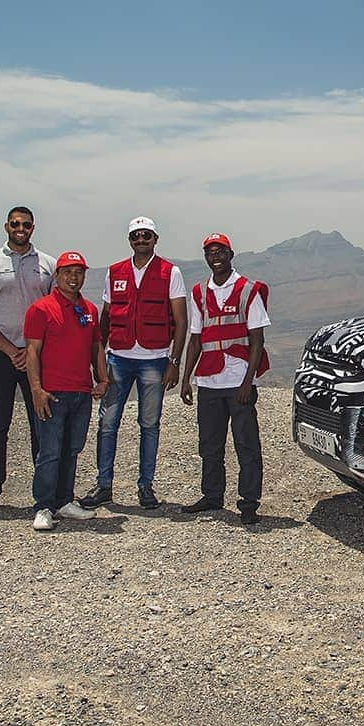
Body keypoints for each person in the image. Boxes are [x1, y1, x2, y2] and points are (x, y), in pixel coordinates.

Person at [79, 217, 187, 510]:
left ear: (155, 238)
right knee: (107, 423)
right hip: (119, 358)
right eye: (136, 236)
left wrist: (174, 362)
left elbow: (181, 321)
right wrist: (99, 362)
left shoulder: (170, 272)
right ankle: (103, 485)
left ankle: (145, 486)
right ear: (130, 240)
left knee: (149, 424)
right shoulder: (115, 272)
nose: (141, 239)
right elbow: (105, 317)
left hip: (154, 359)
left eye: (146, 235)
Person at [0, 206, 56, 515]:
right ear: (7, 226)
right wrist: (9, 350)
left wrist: (30, 352)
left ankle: (46, 493)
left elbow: (55, 311)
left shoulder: (48, 265)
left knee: (41, 423)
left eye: (27, 224)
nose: (21, 228)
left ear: (33, 228)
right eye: (16, 223)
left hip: (36, 355)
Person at [179, 233, 270, 524]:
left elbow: (257, 340)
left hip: (237, 380)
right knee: (210, 443)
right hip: (208, 381)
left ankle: (248, 502)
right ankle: (212, 495)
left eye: (220, 252)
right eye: (209, 253)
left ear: (231, 254)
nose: (215, 257)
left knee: (246, 443)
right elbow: (195, 339)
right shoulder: (199, 292)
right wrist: (186, 379)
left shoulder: (247, 289)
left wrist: (247, 381)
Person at [24, 252, 109, 531]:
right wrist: (36, 388)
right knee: (49, 451)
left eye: (79, 272)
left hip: (81, 391)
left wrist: (102, 378)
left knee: (72, 448)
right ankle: (43, 506)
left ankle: (63, 501)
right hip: (52, 392)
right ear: (57, 276)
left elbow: (96, 347)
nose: (74, 278)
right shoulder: (41, 309)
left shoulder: (89, 310)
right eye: (68, 272)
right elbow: (33, 351)